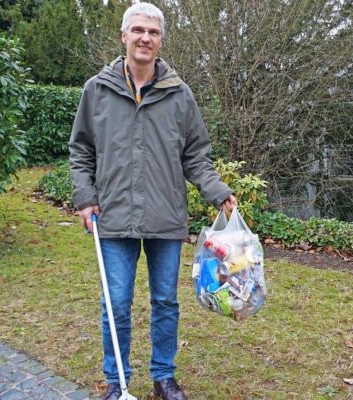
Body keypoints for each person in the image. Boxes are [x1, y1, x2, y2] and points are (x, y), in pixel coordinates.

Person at [69, 3, 237, 399]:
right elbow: (81, 151)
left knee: (165, 302)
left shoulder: (180, 94)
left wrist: (217, 191)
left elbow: (196, 154)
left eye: (153, 32)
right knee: (117, 305)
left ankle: (164, 377)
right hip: (113, 218)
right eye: (138, 30)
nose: (146, 38)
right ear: (124, 36)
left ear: (160, 41)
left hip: (165, 216)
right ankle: (118, 383)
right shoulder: (97, 90)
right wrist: (84, 198)